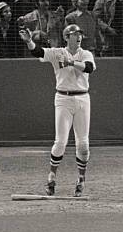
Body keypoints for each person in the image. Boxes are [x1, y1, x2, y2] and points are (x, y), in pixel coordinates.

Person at [18, 24, 96, 197]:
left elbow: (89, 67)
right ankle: (51, 178)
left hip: (83, 98)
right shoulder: (58, 52)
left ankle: (81, 180)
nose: (79, 37)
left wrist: (70, 62)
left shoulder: (86, 53)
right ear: (67, 37)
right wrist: (29, 41)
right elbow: (38, 52)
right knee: (60, 141)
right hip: (63, 98)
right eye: (75, 34)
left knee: (83, 144)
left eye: (80, 34)